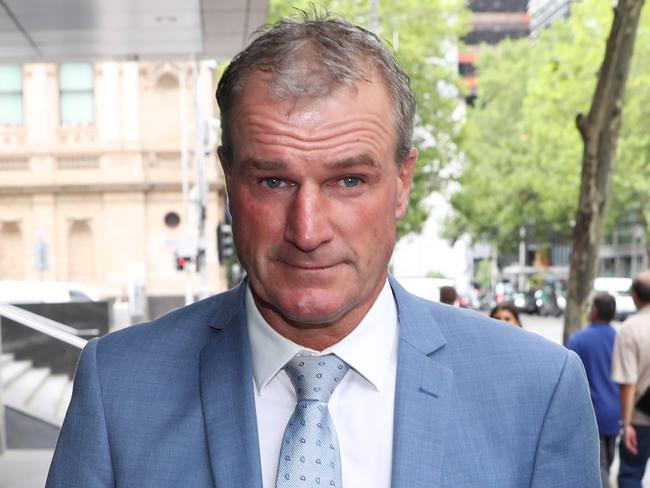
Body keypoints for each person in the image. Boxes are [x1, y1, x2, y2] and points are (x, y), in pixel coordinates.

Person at [47, 13, 600, 487]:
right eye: (273, 181)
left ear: (403, 182)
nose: (307, 231)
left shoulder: (537, 391)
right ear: (229, 181)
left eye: (349, 181)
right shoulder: (117, 387)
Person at [567, 292, 620, 488]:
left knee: (600, 467)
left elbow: (569, 381)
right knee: (608, 461)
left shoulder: (578, 340)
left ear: (595, 311)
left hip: (591, 413)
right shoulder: (619, 338)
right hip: (616, 413)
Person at [612, 269, 650, 488]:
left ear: (635, 296)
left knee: (630, 476)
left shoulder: (630, 329)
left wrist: (626, 424)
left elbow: (628, 382)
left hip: (640, 420)